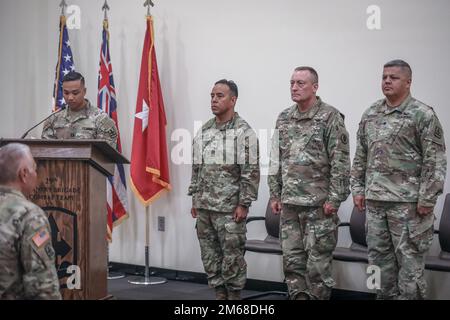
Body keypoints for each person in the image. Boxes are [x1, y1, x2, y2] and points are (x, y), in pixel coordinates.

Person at [351, 59, 447, 299]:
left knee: (410, 269)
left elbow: (435, 161)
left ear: (408, 82)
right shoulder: (371, 113)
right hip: (375, 204)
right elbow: (361, 155)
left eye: (393, 77)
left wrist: (427, 198)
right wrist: (357, 189)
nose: (386, 81)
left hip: (409, 207)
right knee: (378, 265)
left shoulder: (422, 114)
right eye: (384, 77)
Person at [268, 66, 350, 300]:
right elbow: (276, 159)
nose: (294, 87)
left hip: (318, 206)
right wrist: (275, 194)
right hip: (290, 205)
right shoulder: (284, 117)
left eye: (300, 83)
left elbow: (341, 162)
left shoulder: (330, 117)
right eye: (292, 83)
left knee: (317, 266)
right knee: (292, 263)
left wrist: (335, 199)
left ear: (315, 87)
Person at [188, 79, 260, 300]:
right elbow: (196, 167)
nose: (214, 100)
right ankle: (220, 296)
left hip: (230, 209)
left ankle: (234, 298)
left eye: (220, 96)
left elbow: (250, 171)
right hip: (205, 207)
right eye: (212, 96)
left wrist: (244, 204)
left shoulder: (243, 132)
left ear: (233, 100)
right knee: (210, 257)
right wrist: (195, 199)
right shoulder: (205, 130)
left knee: (232, 259)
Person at [0, 143, 61, 300]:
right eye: (34, 168)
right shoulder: (29, 216)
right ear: (24, 174)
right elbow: (42, 287)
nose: (36, 174)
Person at [41, 71, 118, 149]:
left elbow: (107, 154)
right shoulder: (53, 119)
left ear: (84, 91)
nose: (70, 98)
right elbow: (46, 150)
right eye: (66, 93)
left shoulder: (101, 119)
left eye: (75, 93)